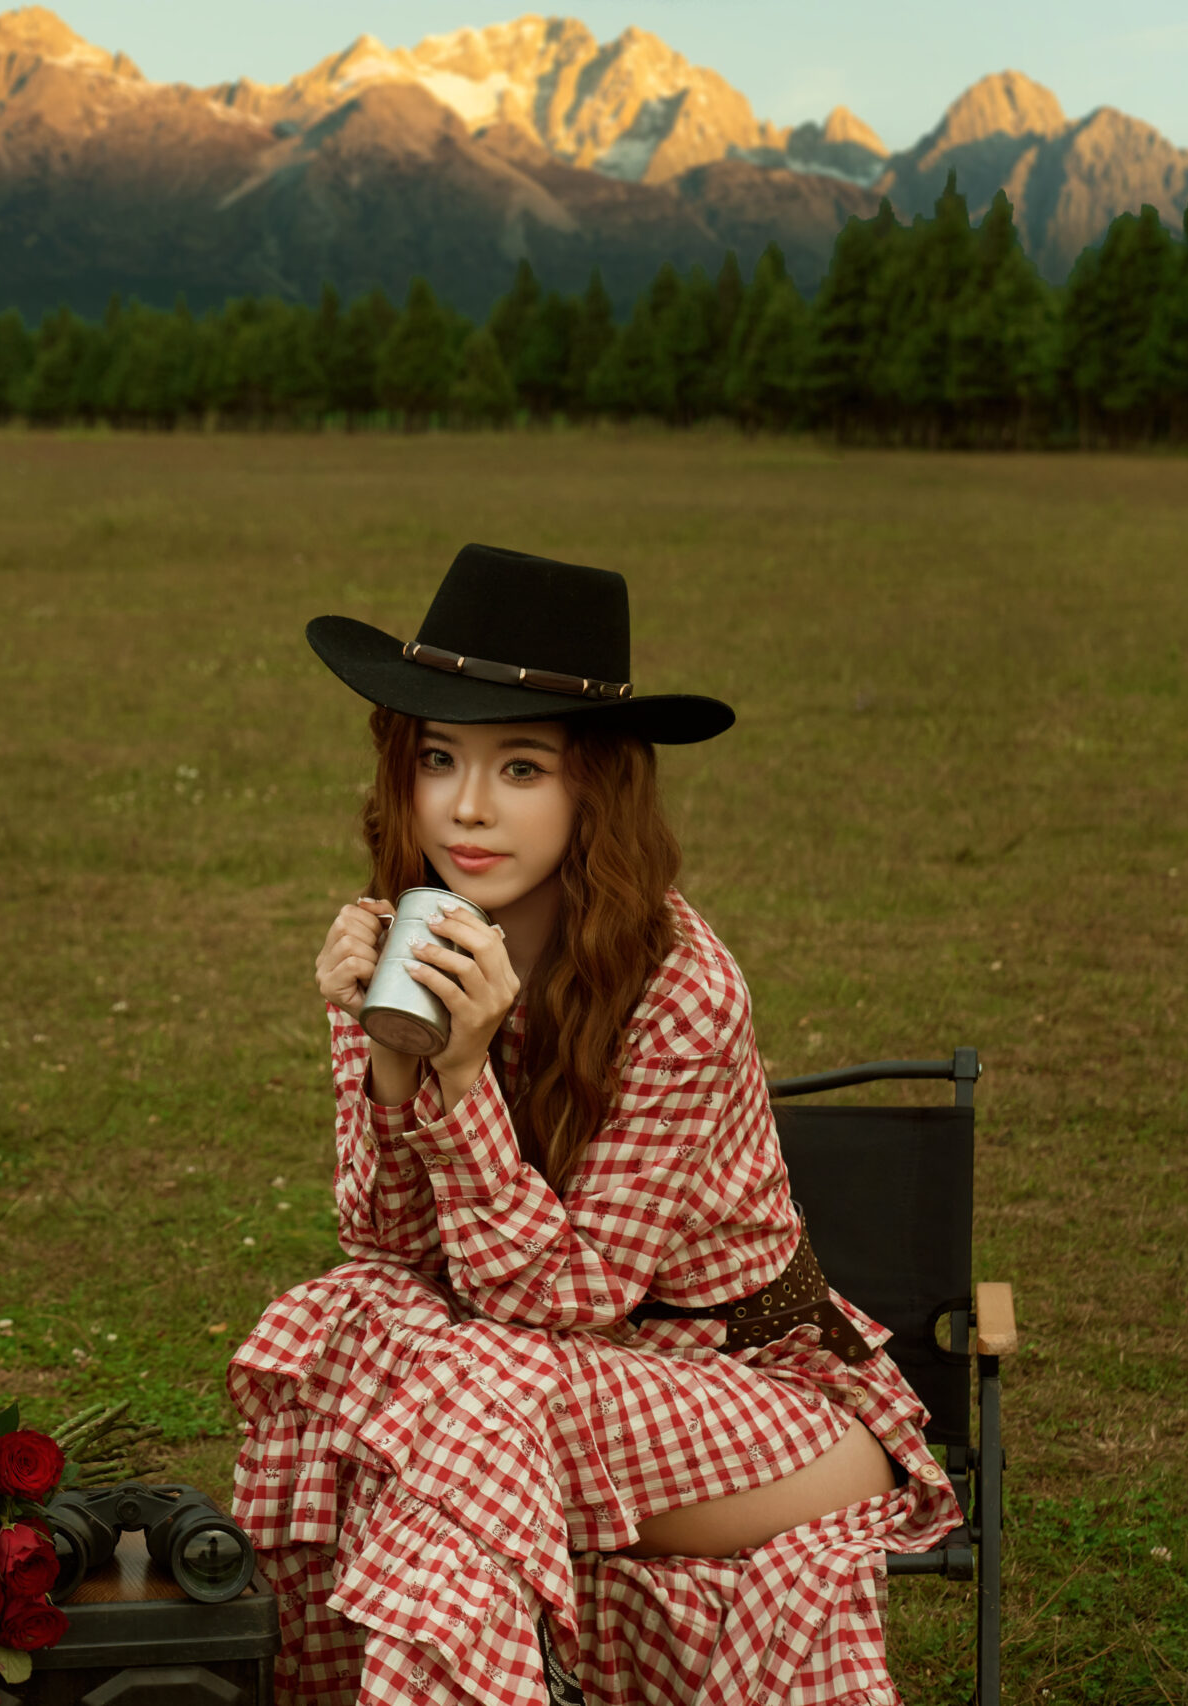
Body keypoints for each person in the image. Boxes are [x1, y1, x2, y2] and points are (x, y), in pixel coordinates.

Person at [227, 545, 960, 1705]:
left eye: (520, 766)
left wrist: (462, 1079)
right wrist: (388, 1052)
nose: (466, 807)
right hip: (523, 1393)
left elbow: (570, 1298)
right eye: (437, 758)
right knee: (339, 1318)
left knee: (471, 1390)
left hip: (759, 1407)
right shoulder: (402, 946)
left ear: (593, 788)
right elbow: (390, 1248)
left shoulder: (681, 987)